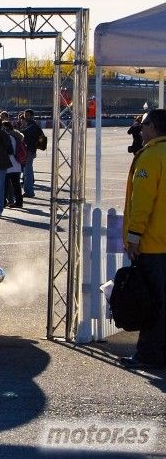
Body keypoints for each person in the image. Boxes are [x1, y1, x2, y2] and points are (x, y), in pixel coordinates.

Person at [120, 109, 166, 369]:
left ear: (155, 127)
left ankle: (148, 355)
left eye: (144, 123)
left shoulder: (150, 157)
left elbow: (142, 202)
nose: (140, 128)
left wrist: (134, 235)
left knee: (152, 304)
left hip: (154, 244)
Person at [2, 120, 25, 208]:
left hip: (9, 164)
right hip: (16, 164)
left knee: (5, 185)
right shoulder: (16, 137)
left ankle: (3, 202)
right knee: (16, 185)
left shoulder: (9, 138)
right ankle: (19, 202)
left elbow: (9, 151)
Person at [21, 109, 43, 198]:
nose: (26, 117)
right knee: (27, 171)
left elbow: (25, 135)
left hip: (29, 150)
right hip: (30, 150)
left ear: (32, 116)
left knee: (28, 171)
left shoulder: (32, 126)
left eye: (28, 115)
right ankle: (28, 190)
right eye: (25, 115)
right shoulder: (32, 125)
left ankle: (29, 191)